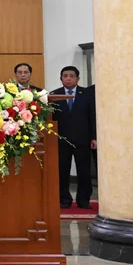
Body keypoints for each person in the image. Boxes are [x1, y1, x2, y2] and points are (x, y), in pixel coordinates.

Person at [51, 66, 96, 209]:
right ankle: (64, 199)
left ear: (78, 78)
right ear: (61, 78)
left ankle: (83, 200)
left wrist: (94, 137)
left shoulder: (87, 94)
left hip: (83, 139)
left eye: (71, 76)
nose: (68, 78)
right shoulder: (54, 95)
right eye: (65, 76)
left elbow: (92, 117)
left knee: (84, 171)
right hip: (61, 140)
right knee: (62, 171)